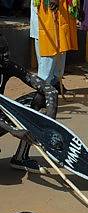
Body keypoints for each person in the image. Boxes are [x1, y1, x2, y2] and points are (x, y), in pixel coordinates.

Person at [0, 34, 58, 173]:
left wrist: (46, 124)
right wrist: (12, 130)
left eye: (7, 50)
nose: (7, 55)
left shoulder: (8, 67)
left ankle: (21, 157)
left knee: (40, 98)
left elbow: (50, 91)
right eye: (1, 51)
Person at [29, 0, 81, 93]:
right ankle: (42, 91)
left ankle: (55, 83)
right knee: (49, 52)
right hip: (47, 8)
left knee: (61, 45)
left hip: (63, 9)